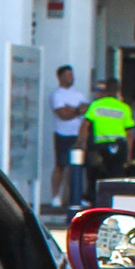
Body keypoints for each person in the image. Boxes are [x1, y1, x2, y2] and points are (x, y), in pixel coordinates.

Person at [80, 77, 133, 201]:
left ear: (105, 89)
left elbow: (85, 126)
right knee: (116, 178)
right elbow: (129, 134)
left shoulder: (96, 105)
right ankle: (114, 201)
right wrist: (129, 155)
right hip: (118, 147)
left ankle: (94, 200)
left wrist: (81, 143)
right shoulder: (124, 108)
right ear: (117, 90)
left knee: (95, 175)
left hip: (99, 146)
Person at [47, 64, 85, 208]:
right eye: (68, 75)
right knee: (60, 166)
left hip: (77, 134)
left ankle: (74, 197)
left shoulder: (78, 94)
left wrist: (72, 109)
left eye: (72, 74)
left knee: (76, 168)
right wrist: (77, 110)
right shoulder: (57, 94)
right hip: (62, 134)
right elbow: (62, 114)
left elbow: (86, 109)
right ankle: (55, 196)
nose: (71, 78)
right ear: (61, 77)